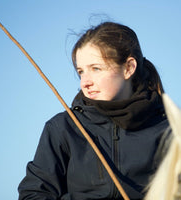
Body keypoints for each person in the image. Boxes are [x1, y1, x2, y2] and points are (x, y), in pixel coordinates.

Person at [18, 21, 170, 200]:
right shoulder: (63, 128)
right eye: (81, 71)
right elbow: (34, 195)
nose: (85, 82)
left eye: (96, 69)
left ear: (128, 68)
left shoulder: (168, 130)